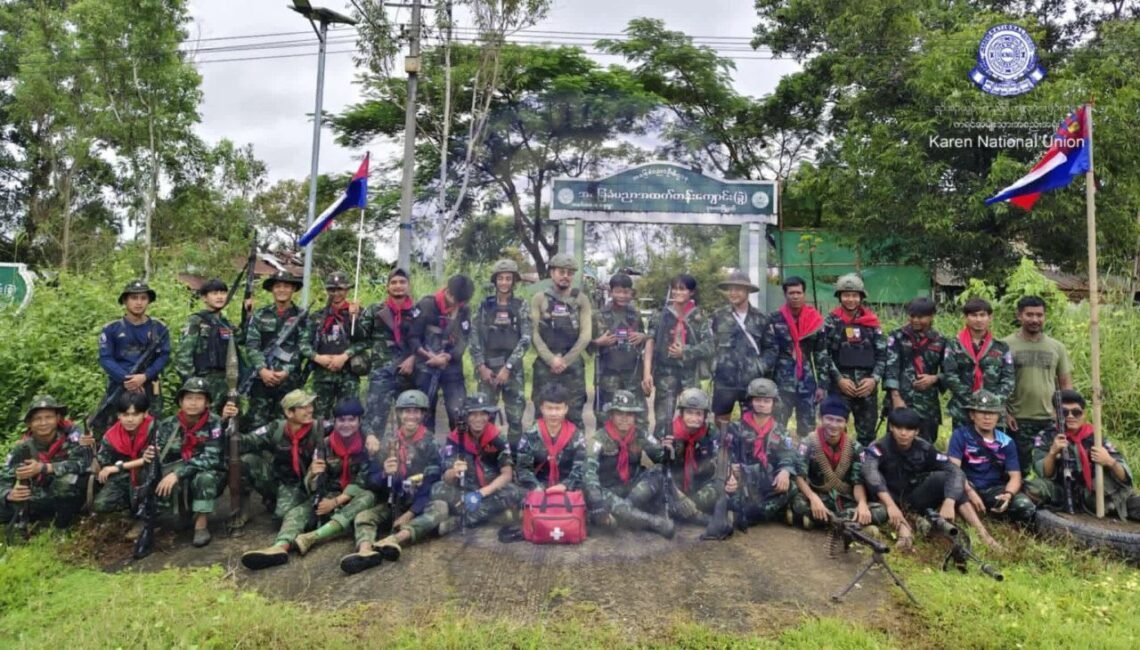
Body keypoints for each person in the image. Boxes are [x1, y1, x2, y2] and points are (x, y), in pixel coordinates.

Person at [344, 390, 442, 571]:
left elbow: (431, 484)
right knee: (363, 517)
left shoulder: (431, 444)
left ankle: (394, 540)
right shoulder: (388, 442)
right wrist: (384, 473)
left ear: (422, 414)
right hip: (392, 502)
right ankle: (365, 551)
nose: (411, 416)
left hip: (417, 505)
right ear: (399, 414)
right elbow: (371, 481)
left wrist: (410, 514)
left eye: (416, 411)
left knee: (440, 508)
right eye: (406, 411)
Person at [861, 408, 979, 550]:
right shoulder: (879, 447)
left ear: (916, 431)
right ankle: (904, 529)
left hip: (912, 497)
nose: (903, 433)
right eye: (899, 428)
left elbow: (954, 470)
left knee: (948, 479)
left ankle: (983, 534)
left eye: (909, 429)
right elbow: (870, 473)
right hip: (885, 499)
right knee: (878, 504)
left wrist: (950, 500)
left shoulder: (924, 448)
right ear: (891, 427)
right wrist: (891, 505)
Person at [239, 389, 323, 569]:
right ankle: (252, 505)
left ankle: (285, 518)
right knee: (247, 461)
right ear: (289, 412)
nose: (310, 410)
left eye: (310, 406)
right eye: (303, 407)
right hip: (282, 481)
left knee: (282, 517)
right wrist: (228, 421)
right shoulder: (276, 428)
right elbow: (245, 441)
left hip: (307, 485)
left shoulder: (320, 429)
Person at [1025, 390, 1140, 520]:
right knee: (1031, 488)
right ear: (1055, 414)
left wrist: (1109, 461)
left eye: (1076, 412)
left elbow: (1125, 477)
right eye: (1064, 412)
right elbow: (1044, 473)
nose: (1070, 416)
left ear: (1084, 414)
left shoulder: (1096, 437)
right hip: (1062, 492)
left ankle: (1111, 509)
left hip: (1098, 495)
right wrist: (1052, 453)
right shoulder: (1047, 437)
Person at [149, 378, 233, 547]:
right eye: (188, 398)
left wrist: (178, 473)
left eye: (199, 398)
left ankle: (201, 526)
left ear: (207, 403)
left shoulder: (215, 423)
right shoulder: (168, 425)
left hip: (206, 474)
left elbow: (211, 458)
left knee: (205, 478)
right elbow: (161, 456)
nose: (193, 403)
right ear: (181, 401)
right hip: (176, 473)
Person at [289, 398, 377, 558]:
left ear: (359, 422)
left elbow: (364, 480)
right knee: (297, 511)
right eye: (341, 420)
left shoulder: (368, 444)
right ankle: (280, 545)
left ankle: (314, 536)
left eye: (351, 420)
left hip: (355, 497)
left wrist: (335, 502)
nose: (346, 424)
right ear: (334, 422)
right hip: (332, 494)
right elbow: (312, 486)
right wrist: (312, 474)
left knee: (368, 497)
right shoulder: (324, 445)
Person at [583, 390, 674, 538]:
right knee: (592, 491)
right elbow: (589, 473)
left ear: (635, 417)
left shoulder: (641, 434)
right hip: (608, 489)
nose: (624, 419)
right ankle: (655, 522)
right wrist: (596, 497)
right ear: (611, 415)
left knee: (660, 471)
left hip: (633, 489)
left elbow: (662, 460)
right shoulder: (598, 439)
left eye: (629, 414)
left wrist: (668, 450)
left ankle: (624, 514)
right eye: (619, 414)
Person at [788, 396, 885, 529]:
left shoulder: (855, 447)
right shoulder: (808, 442)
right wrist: (813, 498)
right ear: (821, 418)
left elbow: (857, 482)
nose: (834, 425)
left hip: (845, 499)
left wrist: (862, 503)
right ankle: (850, 524)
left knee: (880, 511)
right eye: (829, 419)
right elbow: (799, 477)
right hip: (818, 496)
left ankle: (821, 520)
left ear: (846, 423)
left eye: (839, 420)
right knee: (797, 502)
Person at [1002, 295, 1074, 474]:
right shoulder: (1005, 345)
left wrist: (1065, 413)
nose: (1035, 320)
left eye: (1039, 315)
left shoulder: (1056, 347)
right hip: (1017, 421)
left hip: (1050, 420)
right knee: (1019, 471)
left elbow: (1066, 384)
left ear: (1044, 316)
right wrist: (1004, 413)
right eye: (1029, 315)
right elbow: (995, 383)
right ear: (1019, 316)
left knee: (1051, 469)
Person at [946, 390, 1036, 526]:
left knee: (1025, 507)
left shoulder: (1006, 442)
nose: (987, 417)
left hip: (994, 489)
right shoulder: (960, 435)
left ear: (998, 416)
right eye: (982, 412)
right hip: (966, 486)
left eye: (992, 413)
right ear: (972, 415)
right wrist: (969, 492)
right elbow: (954, 470)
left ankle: (996, 514)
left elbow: (1015, 477)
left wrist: (1008, 494)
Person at [0, 396, 87, 530]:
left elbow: (82, 463)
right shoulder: (23, 448)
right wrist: (8, 494)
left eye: (48, 417)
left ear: (57, 418)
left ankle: (62, 526)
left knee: (67, 481)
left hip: (70, 494)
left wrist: (44, 468)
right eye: (37, 419)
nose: (43, 423)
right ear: (30, 423)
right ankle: (34, 519)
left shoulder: (71, 438)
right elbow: (3, 477)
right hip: (39, 496)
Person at [469, 260, 532, 444]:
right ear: (495, 281)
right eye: (501, 278)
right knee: (484, 417)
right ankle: (486, 455)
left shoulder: (521, 305)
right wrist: (481, 366)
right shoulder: (484, 306)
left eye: (508, 278)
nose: (504, 282)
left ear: (514, 281)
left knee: (515, 419)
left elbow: (526, 339)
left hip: (512, 371)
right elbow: (474, 335)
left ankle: (514, 456)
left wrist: (508, 367)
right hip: (487, 370)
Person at [96, 279, 170, 430]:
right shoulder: (112, 328)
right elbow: (105, 358)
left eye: (143, 298)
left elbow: (164, 356)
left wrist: (145, 376)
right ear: (125, 300)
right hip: (119, 385)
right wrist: (127, 380)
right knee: (114, 427)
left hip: (149, 386)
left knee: (153, 427)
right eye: (134, 298)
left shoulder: (159, 328)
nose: (139, 302)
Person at [642, 274, 713, 430]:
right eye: (674, 289)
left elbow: (709, 346)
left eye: (682, 289)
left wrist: (685, 352)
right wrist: (647, 373)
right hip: (665, 375)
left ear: (691, 292)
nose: (677, 292)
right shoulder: (660, 315)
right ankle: (662, 445)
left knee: (691, 420)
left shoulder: (699, 317)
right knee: (663, 422)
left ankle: (687, 446)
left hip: (690, 376)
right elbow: (650, 342)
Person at [531, 253, 593, 430]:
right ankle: (540, 447)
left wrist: (565, 361)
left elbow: (586, 335)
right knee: (541, 413)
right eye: (561, 272)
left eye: (570, 273)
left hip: (572, 365)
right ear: (552, 273)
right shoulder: (539, 298)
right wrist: (551, 359)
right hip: (545, 365)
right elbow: (533, 333)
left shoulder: (581, 299)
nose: (565, 276)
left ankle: (576, 447)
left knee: (574, 414)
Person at [823, 274, 887, 445]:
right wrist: (839, 379)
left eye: (854, 295)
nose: (850, 299)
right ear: (839, 297)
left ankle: (865, 461)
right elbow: (824, 355)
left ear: (861, 297)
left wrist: (873, 380)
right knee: (835, 434)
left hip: (866, 388)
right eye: (846, 295)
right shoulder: (831, 322)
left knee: (867, 436)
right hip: (840, 388)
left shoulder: (872, 322)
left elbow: (883, 355)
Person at [763, 276, 830, 435]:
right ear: (785, 295)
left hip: (806, 382)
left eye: (798, 293)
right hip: (781, 382)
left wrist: (822, 385)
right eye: (791, 293)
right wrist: (768, 384)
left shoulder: (815, 320)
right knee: (776, 428)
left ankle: (805, 452)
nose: (795, 296)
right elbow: (769, 352)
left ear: (804, 294)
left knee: (807, 429)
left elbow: (821, 354)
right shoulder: (774, 319)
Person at [725, 379, 796, 527]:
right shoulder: (736, 428)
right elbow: (726, 453)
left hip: (768, 482)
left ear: (773, 403)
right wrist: (730, 471)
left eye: (766, 401)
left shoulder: (780, 430)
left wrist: (785, 471)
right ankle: (768, 512)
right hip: (742, 481)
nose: (762, 404)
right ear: (751, 401)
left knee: (792, 487)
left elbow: (787, 455)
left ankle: (750, 513)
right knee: (723, 491)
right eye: (757, 400)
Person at [410, 274, 474, 432]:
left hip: (451, 366)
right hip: (426, 364)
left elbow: (464, 339)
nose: (457, 305)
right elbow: (413, 337)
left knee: (459, 413)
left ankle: (460, 446)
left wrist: (448, 356)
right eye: (455, 300)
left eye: (461, 302)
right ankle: (426, 446)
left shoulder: (464, 310)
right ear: (448, 292)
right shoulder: (426, 305)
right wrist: (429, 356)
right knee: (424, 414)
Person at [244, 271, 307, 431]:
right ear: (272, 289)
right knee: (257, 426)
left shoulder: (303, 317)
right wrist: (262, 370)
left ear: (293, 289)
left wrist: (286, 371)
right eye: (278, 286)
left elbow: (304, 347)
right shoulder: (260, 314)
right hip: (261, 381)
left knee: (287, 426)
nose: (282, 290)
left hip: (289, 381)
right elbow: (252, 345)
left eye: (286, 286)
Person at [300, 271, 367, 422]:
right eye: (331, 289)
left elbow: (366, 341)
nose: (336, 293)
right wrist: (318, 358)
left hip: (348, 374)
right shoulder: (317, 316)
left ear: (347, 290)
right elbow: (303, 344)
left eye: (340, 289)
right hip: (323, 375)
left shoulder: (359, 313)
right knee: (320, 418)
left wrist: (345, 356)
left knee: (349, 415)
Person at [942, 297, 1015, 430]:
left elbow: (1008, 379)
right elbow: (950, 375)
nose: (979, 319)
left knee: (992, 443)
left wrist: (993, 401)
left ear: (990, 317)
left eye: (982, 315)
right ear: (966, 317)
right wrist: (973, 400)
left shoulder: (1001, 347)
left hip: (993, 413)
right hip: (963, 409)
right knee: (963, 442)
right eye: (974, 315)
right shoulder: (954, 345)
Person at [92, 392, 157, 538]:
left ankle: (149, 517)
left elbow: (151, 459)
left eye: (135, 414)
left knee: (146, 474)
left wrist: (118, 467)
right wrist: (90, 450)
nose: (130, 419)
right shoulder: (111, 435)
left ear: (145, 414)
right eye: (125, 415)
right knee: (101, 504)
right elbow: (101, 464)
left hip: (151, 475)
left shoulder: (154, 428)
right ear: (118, 416)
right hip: (125, 477)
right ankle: (129, 514)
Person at [362, 269, 419, 435]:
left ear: (409, 285)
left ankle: (409, 453)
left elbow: (427, 340)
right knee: (374, 423)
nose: (398, 286)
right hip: (381, 374)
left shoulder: (418, 312)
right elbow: (360, 336)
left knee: (410, 425)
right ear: (387, 287)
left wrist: (414, 358)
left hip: (409, 374)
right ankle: (373, 452)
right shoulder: (375, 310)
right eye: (393, 282)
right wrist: (354, 317)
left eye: (402, 282)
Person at [709, 270, 768, 427]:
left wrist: (760, 367)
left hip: (751, 382)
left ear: (747, 291)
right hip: (724, 381)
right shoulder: (718, 316)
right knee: (721, 424)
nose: (733, 293)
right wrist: (715, 365)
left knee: (751, 426)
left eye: (738, 289)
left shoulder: (761, 318)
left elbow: (771, 348)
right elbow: (710, 344)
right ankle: (722, 444)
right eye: (730, 289)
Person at [884, 297, 946, 444]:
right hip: (901, 400)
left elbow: (950, 371)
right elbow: (890, 366)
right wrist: (896, 397)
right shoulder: (897, 336)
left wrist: (934, 378)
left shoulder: (941, 340)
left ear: (931, 316)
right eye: (912, 316)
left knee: (926, 444)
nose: (915, 320)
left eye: (921, 317)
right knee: (896, 442)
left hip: (927, 404)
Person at [589, 273, 648, 427]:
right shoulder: (598, 315)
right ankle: (605, 443)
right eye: (618, 291)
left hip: (632, 374)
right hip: (607, 375)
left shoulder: (635, 315)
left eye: (626, 292)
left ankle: (636, 443)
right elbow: (587, 345)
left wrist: (642, 337)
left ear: (631, 293)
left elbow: (644, 341)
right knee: (605, 417)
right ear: (611, 292)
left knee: (638, 417)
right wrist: (598, 342)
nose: (622, 296)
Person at [174, 278, 238, 413]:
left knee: (224, 418)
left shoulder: (226, 324)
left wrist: (247, 313)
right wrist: (192, 384)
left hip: (225, 382)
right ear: (204, 297)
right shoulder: (196, 321)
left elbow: (243, 341)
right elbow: (183, 356)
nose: (220, 297)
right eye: (214, 293)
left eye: (222, 293)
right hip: (203, 380)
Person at [657, 387, 720, 523]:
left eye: (699, 414)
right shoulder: (668, 431)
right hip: (675, 488)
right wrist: (664, 450)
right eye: (689, 413)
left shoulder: (711, 431)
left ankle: (686, 510)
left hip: (699, 486)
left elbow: (719, 458)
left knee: (721, 486)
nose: (694, 418)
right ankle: (696, 515)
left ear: (705, 416)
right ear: (681, 413)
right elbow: (660, 467)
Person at [516, 384, 588, 495]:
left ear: (566, 409)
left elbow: (581, 467)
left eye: (558, 408)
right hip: (537, 488)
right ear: (542, 408)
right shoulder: (530, 435)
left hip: (567, 488)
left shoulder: (576, 435)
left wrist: (565, 485)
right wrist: (537, 488)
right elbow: (523, 469)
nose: (553, 413)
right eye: (549, 408)